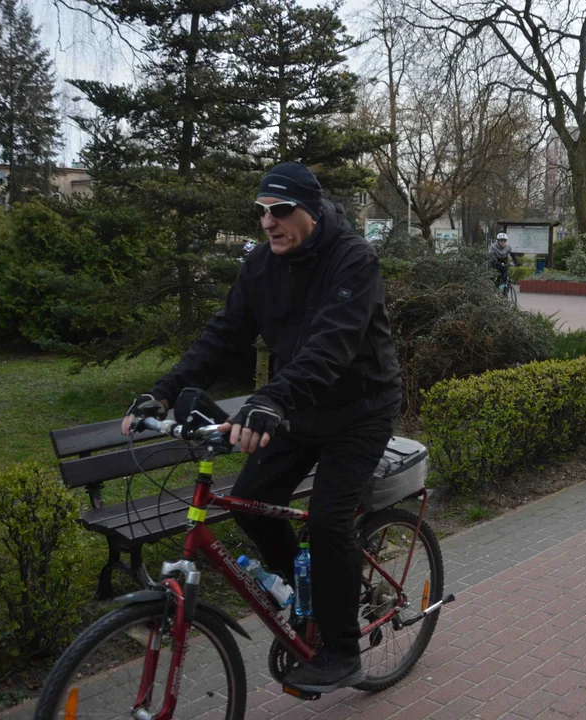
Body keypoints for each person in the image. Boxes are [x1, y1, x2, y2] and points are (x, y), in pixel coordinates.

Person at [120, 162, 402, 693]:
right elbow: (222, 336)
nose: (269, 222)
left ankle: (342, 650)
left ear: (311, 213)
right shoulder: (260, 267)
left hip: (360, 409)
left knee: (327, 517)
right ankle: (308, 593)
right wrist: (161, 390)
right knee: (250, 498)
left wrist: (270, 398)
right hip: (299, 407)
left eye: (281, 211)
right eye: (262, 212)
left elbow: (331, 346)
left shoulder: (353, 260)